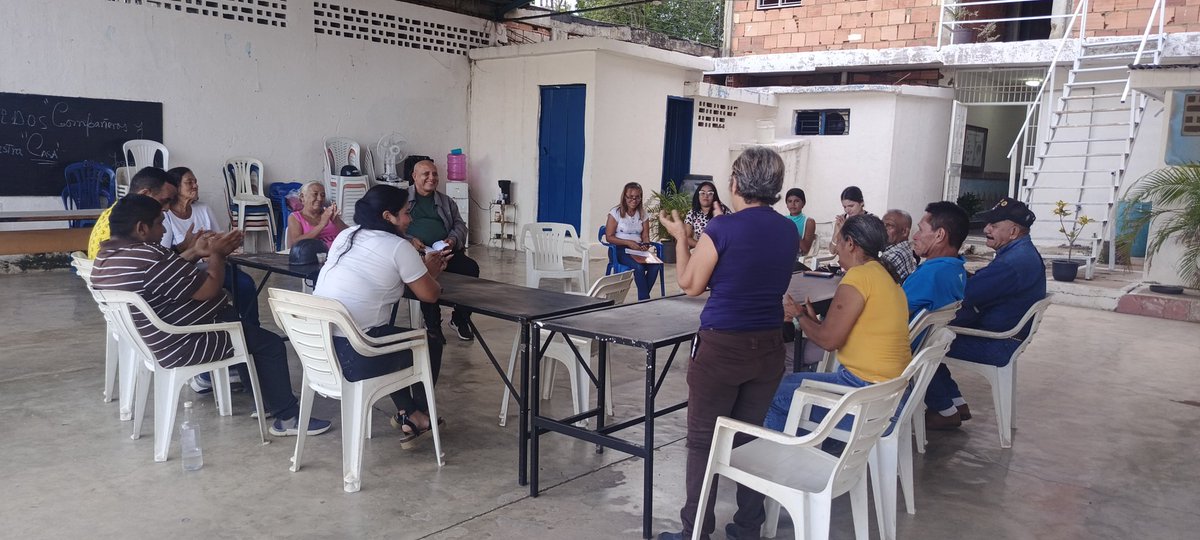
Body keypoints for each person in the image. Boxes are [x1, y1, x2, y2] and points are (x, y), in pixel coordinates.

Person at [90, 193, 331, 437]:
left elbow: (167, 270)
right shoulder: (149, 257)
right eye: (159, 223)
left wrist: (195, 251)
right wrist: (217, 254)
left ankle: (267, 401)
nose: (163, 231)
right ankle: (287, 418)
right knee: (269, 344)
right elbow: (209, 289)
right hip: (181, 342)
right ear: (141, 228)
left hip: (150, 340)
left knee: (243, 327)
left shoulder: (107, 257)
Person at [655, 147, 799, 540]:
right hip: (769, 346)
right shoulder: (789, 230)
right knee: (752, 438)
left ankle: (696, 532)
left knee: (704, 441)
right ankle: (747, 527)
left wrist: (682, 237)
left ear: (735, 183)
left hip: (722, 348)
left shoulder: (724, 229)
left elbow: (690, 285)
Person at [314, 185, 449, 446]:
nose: (410, 219)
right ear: (388, 216)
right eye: (406, 213)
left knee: (392, 340)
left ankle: (409, 413)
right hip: (356, 356)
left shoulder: (347, 236)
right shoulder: (398, 247)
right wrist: (430, 270)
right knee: (428, 342)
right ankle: (419, 415)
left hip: (319, 350)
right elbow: (429, 295)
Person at [764, 214, 910, 433]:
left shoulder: (857, 277)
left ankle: (791, 456)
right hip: (890, 394)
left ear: (851, 243)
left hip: (868, 395)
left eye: (839, 242)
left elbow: (828, 341)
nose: (837, 249)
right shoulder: (884, 274)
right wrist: (812, 321)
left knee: (772, 396)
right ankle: (815, 448)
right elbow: (840, 334)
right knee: (792, 380)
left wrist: (799, 315)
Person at [924, 197, 1046, 430]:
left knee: (921, 340)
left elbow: (964, 295)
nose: (986, 229)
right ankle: (955, 404)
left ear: (1012, 231)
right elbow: (981, 285)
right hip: (1002, 333)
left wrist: (940, 278)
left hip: (995, 342)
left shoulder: (1013, 263)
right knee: (933, 333)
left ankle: (944, 410)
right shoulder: (1020, 252)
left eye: (994, 225)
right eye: (988, 224)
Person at [406, 159, 480, 342]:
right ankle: (433, 326)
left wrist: (452, 240)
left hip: (443, 252)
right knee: (426, 273)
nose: (432, 178)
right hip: (416, 254)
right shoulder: (401, 200)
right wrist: (409, 241)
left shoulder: (446, 202)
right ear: (414, 176)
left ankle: (460, 319)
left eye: (435, 174)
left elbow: (460, 225)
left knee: (471, 269)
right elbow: (390, 228)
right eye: (426, 174)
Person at [902, 202, 970, 347]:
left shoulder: (930, 275)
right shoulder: (957, 269)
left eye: (920, 230)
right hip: (921, 348)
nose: (915, 236)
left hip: (898, 352)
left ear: (939, 235)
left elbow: (889, 315)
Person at [87, 166, 178, 259]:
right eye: (164, 201)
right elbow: (153, 265)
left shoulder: (116, 212)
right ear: (145, 194)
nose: (167, 208)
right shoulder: (128, 225)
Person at [605, 182, 661, 301]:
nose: (634, 200)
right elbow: (609, 237)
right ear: (624, 197)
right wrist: (628, 243)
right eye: (630, 197)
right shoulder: (615, 213)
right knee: (639, 267)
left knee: (655, 266)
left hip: (638, 250)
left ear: (640, 198)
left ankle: (643, 298)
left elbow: (645, 236)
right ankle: (645, 299)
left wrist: (646, 244)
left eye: (637, 197)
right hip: (619, 249)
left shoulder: (643, 214)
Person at [286, 181, 348, 249]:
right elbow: (296, 243)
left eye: (323, 195)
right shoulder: (295, 217)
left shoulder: (328, 214)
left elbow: (350, 234)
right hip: (313, 257)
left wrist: (336, 221)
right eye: (315, 194)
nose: (320, 198)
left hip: (339, 254)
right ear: (302, 197)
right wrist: (321, 224)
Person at [682, 181, 728, 249]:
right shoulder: (692, 213)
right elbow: (687, 237)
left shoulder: (722, 210)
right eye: (702, 193)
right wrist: (702, 247)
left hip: (721, 248)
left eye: (710, 193)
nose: (706, 196)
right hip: (701, 248)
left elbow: (731, 232)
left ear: (714, 196)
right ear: (698, 195)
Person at [881, 209, 918, 282]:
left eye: (889, 226)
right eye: (882, 225)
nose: (883, 229)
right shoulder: (903, 249)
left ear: (904, 232)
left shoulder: (895, 255)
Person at [829, 185, 869, 252]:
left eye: (851, 206)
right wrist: (838, 231)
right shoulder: (843, 219)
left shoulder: (871, 221)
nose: (847, 210)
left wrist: (846, 230)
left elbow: (863, 250)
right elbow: (832, 250)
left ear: (861, 203)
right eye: (844, 207)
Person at [784, 187, 816, 255]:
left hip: (797, 257)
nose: (793, 204)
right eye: (789, 201)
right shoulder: (782, 219)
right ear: (786, 204)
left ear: (803, 203)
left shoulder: (809, 222)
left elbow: (805, 249)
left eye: (797, 201)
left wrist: (792, 231)